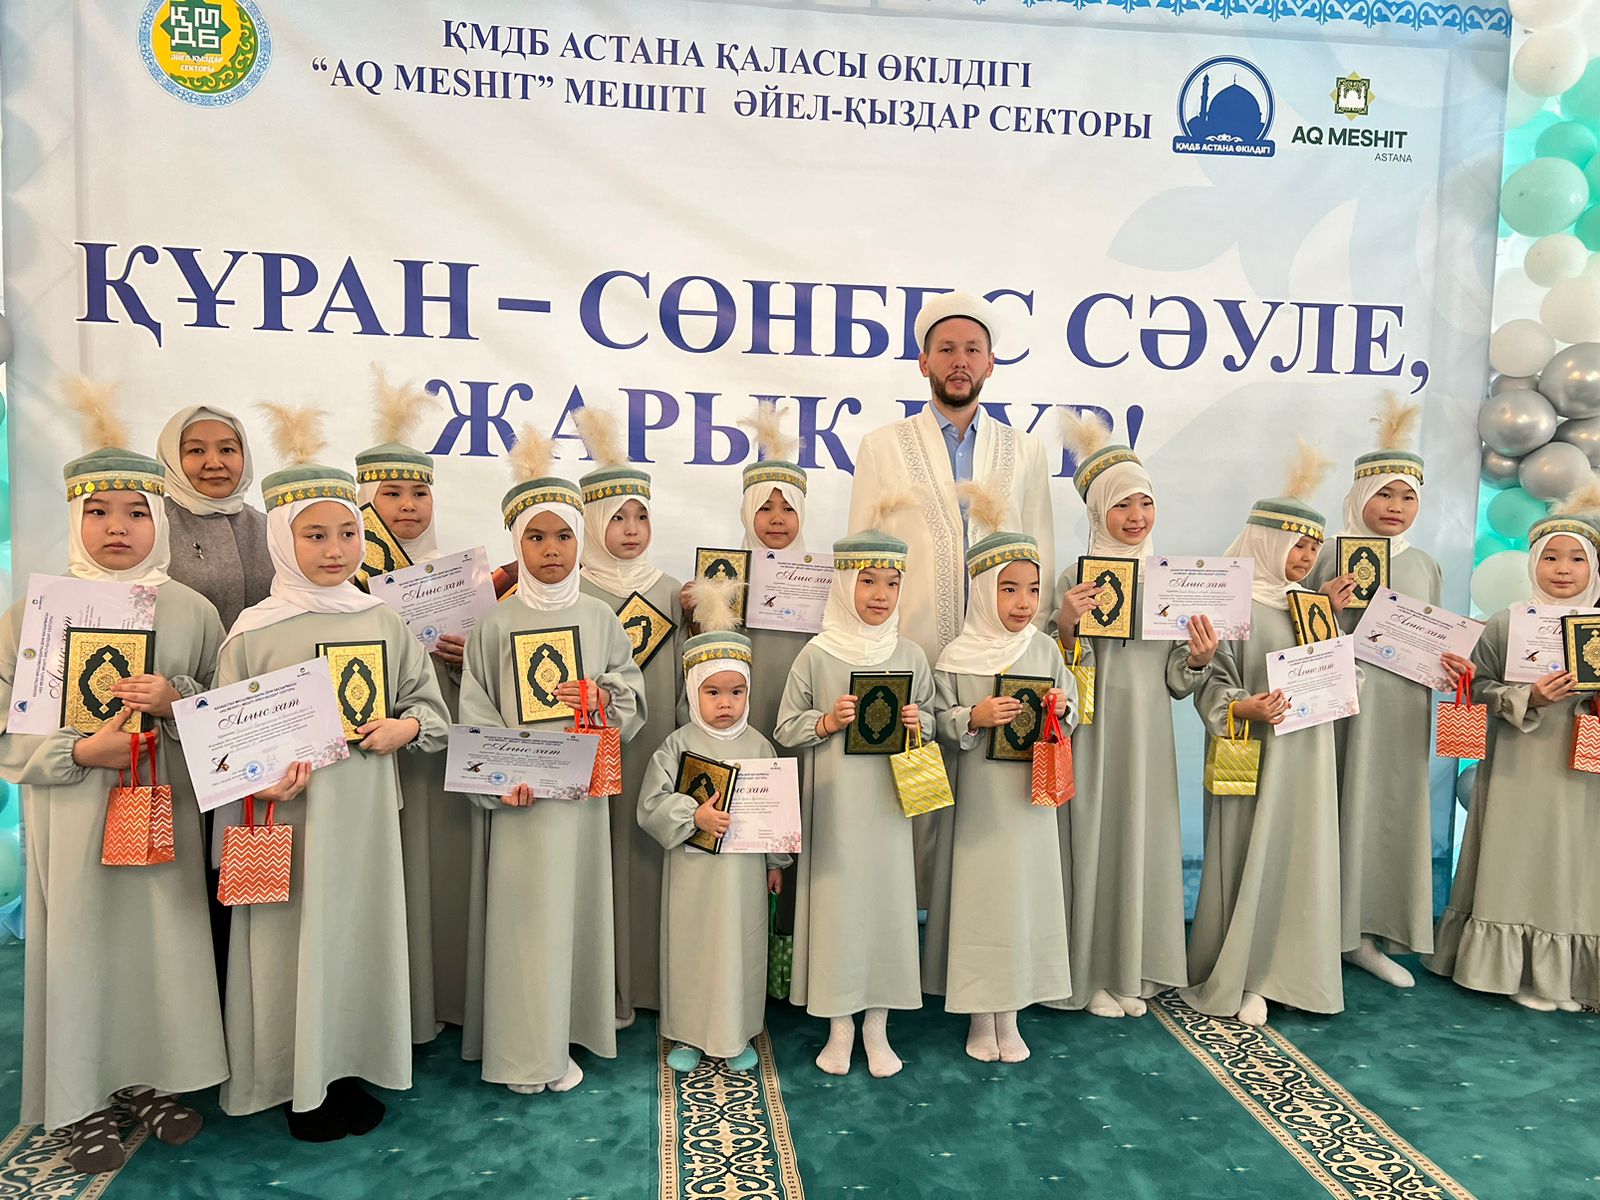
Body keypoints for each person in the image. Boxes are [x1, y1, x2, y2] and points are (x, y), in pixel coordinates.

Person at [1, 379, 226, 1173]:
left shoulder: (192, 610)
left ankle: (145, 1076)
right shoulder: (33, 614)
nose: (118, 527)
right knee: (81, 945)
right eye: (98, 512)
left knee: (157, 944)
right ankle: (77, 1101)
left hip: (161, 805)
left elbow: (227, 716)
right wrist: (75, 754)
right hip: (72, 812)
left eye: (136, 512)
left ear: (161, 519)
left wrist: (177, 701)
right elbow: (8, 725)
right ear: (75, 518)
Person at [216, 404, 449, 1141]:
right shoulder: (253, 633)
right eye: (315, 535)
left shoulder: (381, 619)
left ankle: (347, 1066)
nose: (336, 549)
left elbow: (428, 708)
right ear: (283, 540)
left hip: (365, 816)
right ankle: (296, 1081)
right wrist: (257, 778)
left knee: (355, 937)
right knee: (292, 945)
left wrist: (406, 727)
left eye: (348, 532)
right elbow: (221, 743)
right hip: (291, 820)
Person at [846, 292, 1056, 904]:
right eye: (946, 350)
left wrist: (1031, 655)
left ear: (991, 362)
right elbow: (862, 553)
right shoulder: (883, 445)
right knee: (909, 806)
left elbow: (1039, 549)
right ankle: (905, 935)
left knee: (990, 816)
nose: (959, 361)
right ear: (924, 362)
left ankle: (973, 931)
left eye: (972, 350)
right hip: (913, 650)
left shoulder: (1025, 450)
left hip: (1001, 666)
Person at [457, 429, 645, 1095]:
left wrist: (602, 697)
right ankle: (523, 1053)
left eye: (563, 536)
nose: (551, 549)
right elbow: (476, 712)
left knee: (571, 915)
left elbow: (630, 692)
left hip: (579, 802)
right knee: (525, 922)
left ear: (579, 539)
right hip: (521, 804)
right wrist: (498, 782)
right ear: (517, 544)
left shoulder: (599, 618)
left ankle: (563, 1035)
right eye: (536, 537)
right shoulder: (493, 624)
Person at [1052, 414, 1215, 1019]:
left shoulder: (1172, 579)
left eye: (1146, 502)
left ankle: (1133, 969)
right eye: (1122, 504)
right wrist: (1066, 624)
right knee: (1092, 837)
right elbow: (1047, 666)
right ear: (1098, 510)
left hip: (1147, 734)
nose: (1136, 516)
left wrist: (1197, 658)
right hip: (1089, 734)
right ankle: (1088, 972)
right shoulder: (1074, 577)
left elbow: (1176, 680)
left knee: (1138, 837)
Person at [1184, 443, 1347, 1027]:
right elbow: (1208, 681)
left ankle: (1291, 972)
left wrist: (1333, 642)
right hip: (1250, 749)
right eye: (1296, 545)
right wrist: (1242, 705)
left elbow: (1334, 675)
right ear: (1265, 541)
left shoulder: (1311, 605)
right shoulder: (1229, 602)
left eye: (1313, 547)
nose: (1305, 557)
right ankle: (1247, 972)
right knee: (1249, 851)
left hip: (1306, 753)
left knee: (1299, 854)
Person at [1308, 396, 1468, 988]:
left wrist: (1451, 665)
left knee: (1385, 810)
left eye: (1408, 497)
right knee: (1328, 802)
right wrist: (1324, 609)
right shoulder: (1326, 554)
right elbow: (1292, 633)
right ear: (1359, 496)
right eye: (1384, 494)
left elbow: (1436, 638)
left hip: (1401, 709)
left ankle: (1366, 934)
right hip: (1335, 705)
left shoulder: (1424, 565)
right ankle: (1315, 929)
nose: (1396, 507)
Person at [1428, 489, 1600, 1011]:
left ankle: (1560, 974)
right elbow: (1477, 688)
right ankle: (1510, 969)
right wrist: (1529, 697)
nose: (1562, 570)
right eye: (1551, 557)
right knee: (1517, 854)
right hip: (1518, 760)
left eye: (1576, 559)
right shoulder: (1506, 621)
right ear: (1533, 563)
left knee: (1573, 857)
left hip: (1583, 762)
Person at [775, 531, 933, 1077]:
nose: (880, 594)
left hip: (889, 809)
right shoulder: (817, 654)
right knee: (838, 908)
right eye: (867, 581)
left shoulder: (910, 654)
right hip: (836, 811)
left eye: (891, 583)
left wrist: (918, 721)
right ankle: (839, 1026)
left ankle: (877, 1026)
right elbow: (786, 726)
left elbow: (932, 720)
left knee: (886, 906)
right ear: (844, 584)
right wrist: (825, 722)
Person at [926, 527, 1076, 1064]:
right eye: (1009, 589)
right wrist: (974, 716)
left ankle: (1009, 1015)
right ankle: (978, 1016)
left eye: (1033, 590)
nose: (1023, 603)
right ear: (985, 590)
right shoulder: (956, 656)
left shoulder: (1044, 648)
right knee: (981, 902)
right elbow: (936, 720)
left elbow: (1072, 706)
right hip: (978, 808)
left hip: (1029, 804)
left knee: (1022, 901)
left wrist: (1062, 709)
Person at [354, 367, 472, 1043]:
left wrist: (466, 657)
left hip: (434, 743)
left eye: (419, 493)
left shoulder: (456, 574)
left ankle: (441, 996)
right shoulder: (339, 579)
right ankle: (386, 1012)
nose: (407, 507)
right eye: (391, 494)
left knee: (438, 869)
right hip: (370, 749)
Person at [155, 402, 274, 983]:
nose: (213, 462)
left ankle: (249, 990)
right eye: (195, 450)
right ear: (171, 458)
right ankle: (198, 993)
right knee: (193, 857)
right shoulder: (156, 524)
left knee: (251, 850)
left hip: (267, 713)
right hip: (181, 713)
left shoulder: (270, 526)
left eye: (227, 449)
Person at [638, 619, 789, 1074]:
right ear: (693, 691)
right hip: (693, 877)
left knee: (741, 947)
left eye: (736, 692)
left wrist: (775, 863)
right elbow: (651, 805)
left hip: (743, 877)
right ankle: (689, 1032)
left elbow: (777, 813)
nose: (726, 703)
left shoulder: (760, 746)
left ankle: (735, 1031)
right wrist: (694, 817)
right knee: (692, 948)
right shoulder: (677, 744)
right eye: (713, 692)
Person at [575, 407, 685, 1027]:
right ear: (592, 523)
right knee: (603, 859)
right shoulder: (572, 593)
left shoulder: (673, 591)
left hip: (658, 745)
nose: (631, 530)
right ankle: (605, 988)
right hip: (596, 751)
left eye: (640, 516)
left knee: (652, 855)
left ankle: (656, 982)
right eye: (617, 518)